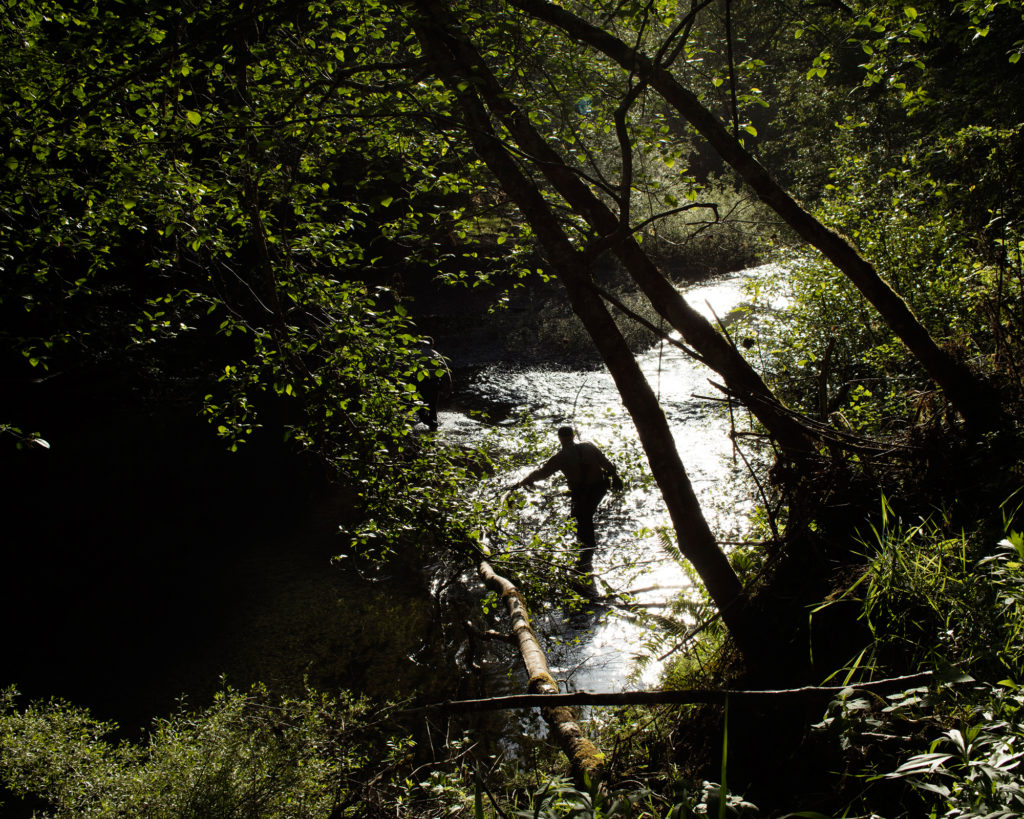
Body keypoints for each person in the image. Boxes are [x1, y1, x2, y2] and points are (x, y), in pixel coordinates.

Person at [510, 425, 623, 572]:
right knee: (583, 515)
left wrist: (525, 480)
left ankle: (586, 557)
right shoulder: (589, 447)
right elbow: (606, 463)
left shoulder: (560, 457)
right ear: (573, 436)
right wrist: (615, 476)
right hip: (599, 487)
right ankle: (586, 553)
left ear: (559, 438)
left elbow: (543, 473)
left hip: (582, 492)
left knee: (583, 519)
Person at [416, 337, 452, 431]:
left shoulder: (415, 354)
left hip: (418, 384)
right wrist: (447, 387)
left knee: (418, 406)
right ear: (432, 345)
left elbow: (404, 369)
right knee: (432, 408)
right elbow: (445, 371)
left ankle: (427, 421)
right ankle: (433, 429)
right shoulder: (436, 355)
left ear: (421, 344)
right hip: (433, 384)